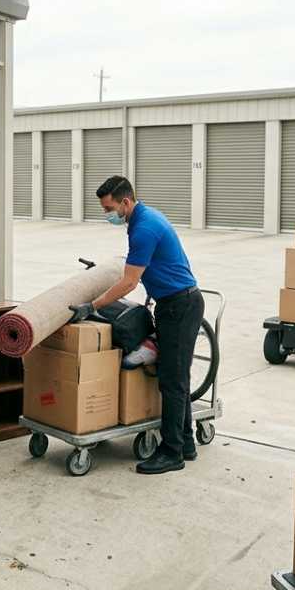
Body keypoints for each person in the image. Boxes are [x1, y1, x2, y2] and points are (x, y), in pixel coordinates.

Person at [67, 176, 202, 475]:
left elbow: (129, 281)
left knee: (172, 380)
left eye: (108, 208)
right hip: (172, 304)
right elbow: (153, 268)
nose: (107, 214)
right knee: (175, 377)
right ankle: (187, 444)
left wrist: (93, 306)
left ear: (125, 202)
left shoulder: (144, 228)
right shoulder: (144, 217)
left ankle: (172, 452)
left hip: (181, 306)